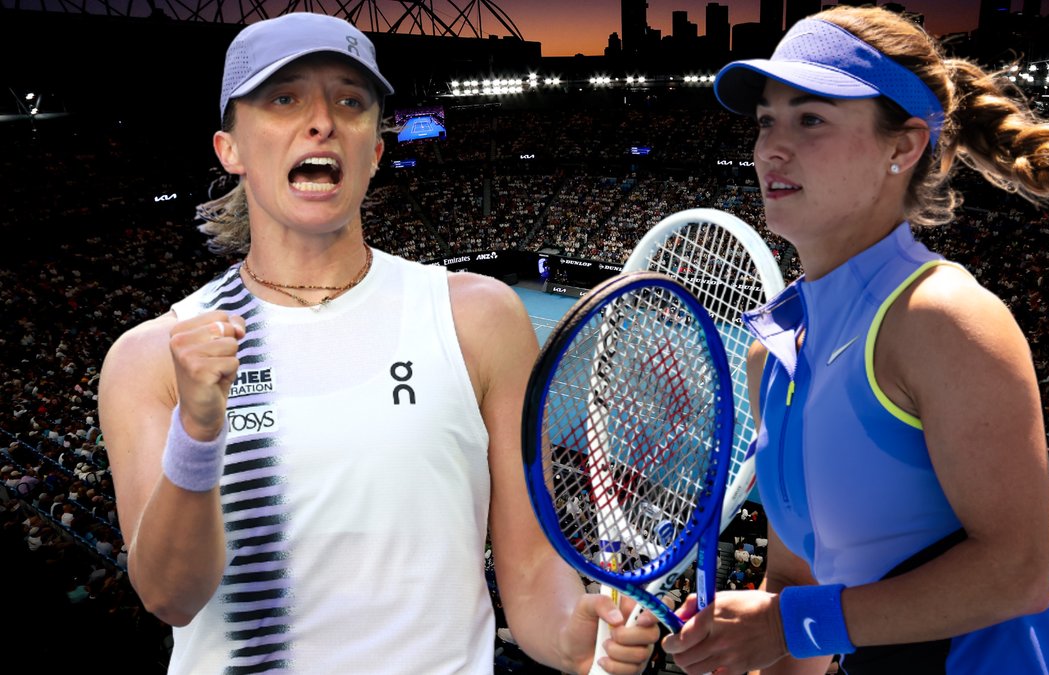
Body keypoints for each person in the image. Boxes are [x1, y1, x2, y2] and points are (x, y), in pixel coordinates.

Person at [98, 12, 658, 674]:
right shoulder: (147, 359)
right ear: (231, 149)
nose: (322, 120)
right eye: (284, 98)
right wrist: (196, 432)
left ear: (374, 148)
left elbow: (533, 571)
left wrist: (580, 637)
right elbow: (169, 596)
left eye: (351, 100)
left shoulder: (479, 319)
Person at [661, 7, 1049, 675]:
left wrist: (791, 623)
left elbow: (1017, 572)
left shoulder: (945, 318)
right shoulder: (772, 353)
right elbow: (793, 591)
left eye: (810, 118)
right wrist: (748, 641)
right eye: (767, 120)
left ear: (902, 147)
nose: (770, 148)